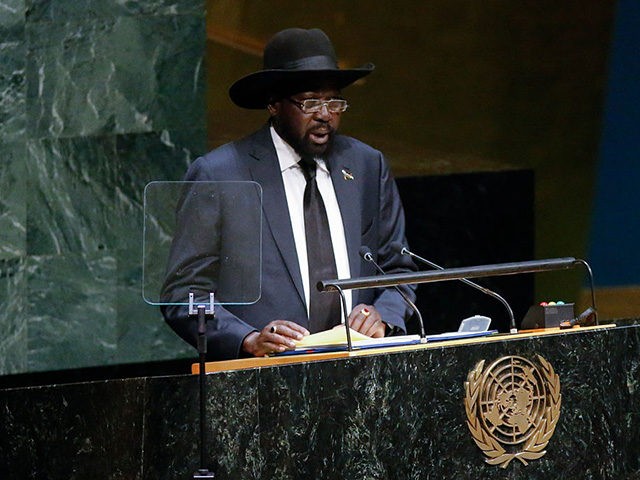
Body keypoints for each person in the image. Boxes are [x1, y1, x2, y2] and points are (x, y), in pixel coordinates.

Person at [161, 27, 417, 360]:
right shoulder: (220, 175)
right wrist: (248, 338)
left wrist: (385, 315)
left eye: (334, 102)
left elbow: (400, 269)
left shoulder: (367, 166)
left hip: (361, 377)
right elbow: (184, 294)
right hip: (265, 383)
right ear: (274, 104)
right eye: (310, 102)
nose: (324, 115)